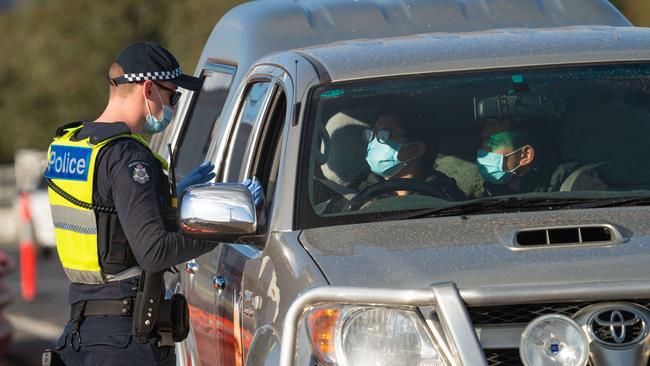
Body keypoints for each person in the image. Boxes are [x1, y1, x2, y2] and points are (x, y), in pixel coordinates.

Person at [44, 41, 262, 366]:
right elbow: (154, 251)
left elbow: (106, 213)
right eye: (171, 95)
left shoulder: (72, 145)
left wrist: (169, 195)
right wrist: (222, 232)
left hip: (80, 331)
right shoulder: (127, 156)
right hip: (123, 338)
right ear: (148, 88)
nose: (171, 105)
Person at [476, 120, 607, 196]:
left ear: (525, 155)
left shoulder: (580, 186)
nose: (483, 150)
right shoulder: (493, 194)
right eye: (483, 142)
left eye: (492, 143)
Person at [362, 112, 466, 200]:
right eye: (373, 133)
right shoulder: (357, 193)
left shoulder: (447, 198)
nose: (375, 141)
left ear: (417, 149)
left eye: (385, 134)